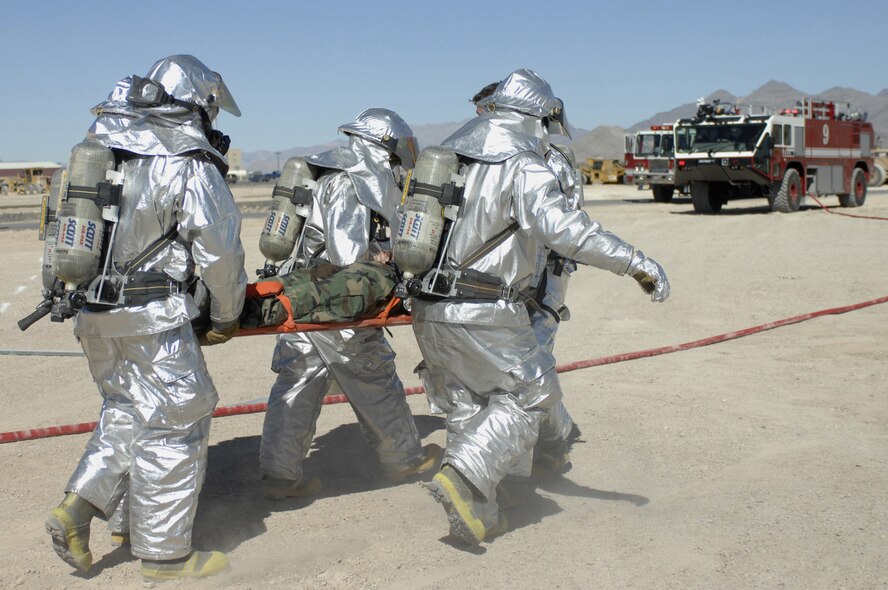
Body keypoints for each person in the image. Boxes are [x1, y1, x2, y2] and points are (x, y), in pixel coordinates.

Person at [413, 69, 670, 545]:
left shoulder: (448, 156)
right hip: (485, 309)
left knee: (470, 404)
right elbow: (567, 231)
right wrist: (636, 262)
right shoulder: (523, 164)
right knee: (532, 392)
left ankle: (481, 510)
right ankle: (466, 476)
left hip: (429, 308)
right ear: (537, 116)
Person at [44, 55, 247, 582]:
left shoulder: (97, 150)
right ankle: (166, 557)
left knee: (127, 412)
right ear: (198, 106)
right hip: (152, 316)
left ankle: (80, 510)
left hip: (92, 312)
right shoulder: (187, 161)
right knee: (178, 422)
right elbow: (220, 254)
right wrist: (226, 315)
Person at [259, 109, 441, 500]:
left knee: (297, 386)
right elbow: (347, 255)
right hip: (337, 305)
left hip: (305, 298)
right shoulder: (350, 182)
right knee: (375, 378)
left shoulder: (333, 174)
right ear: (384, 147)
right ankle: (404, 459)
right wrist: (383, 260)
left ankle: (280, 475)